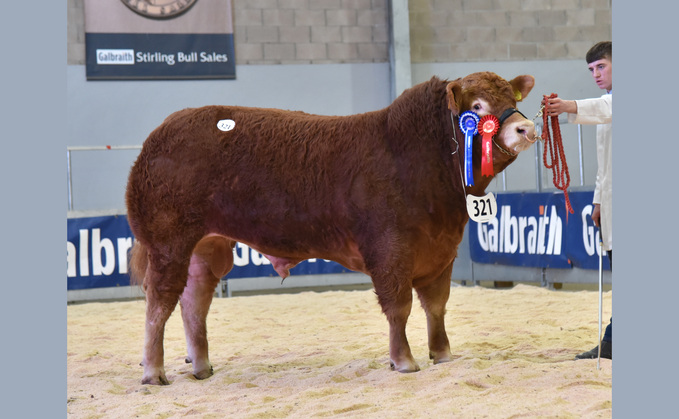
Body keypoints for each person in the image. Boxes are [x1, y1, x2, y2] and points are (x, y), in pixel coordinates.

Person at [544, 41, 612, 360]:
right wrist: (599, 201)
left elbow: (605, 109)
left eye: (602, 66)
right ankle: (613, 341)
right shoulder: (608, 101)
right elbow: (607, 163)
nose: (596, 74)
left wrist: (568, 105)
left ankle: (613, 342)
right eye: (591, 70)